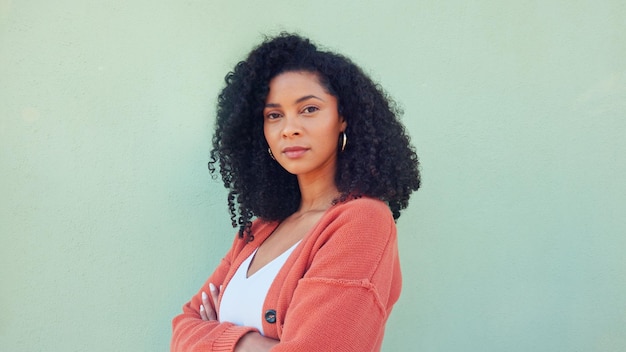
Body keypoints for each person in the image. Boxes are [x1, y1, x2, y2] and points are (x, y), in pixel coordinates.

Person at [171, 33, 421, 352]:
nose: (289, 128)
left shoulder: (363, 221)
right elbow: (183, 327)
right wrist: (256, 343)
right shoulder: (260, 230)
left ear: (342, 118)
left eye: (309, 109)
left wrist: (219, 336)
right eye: (274, 115)